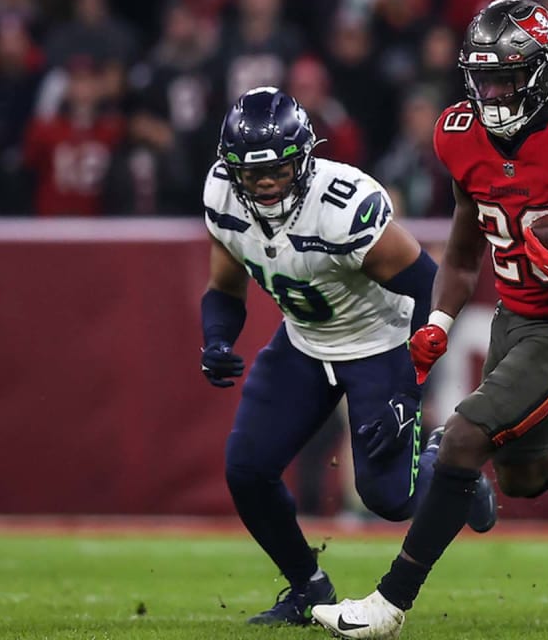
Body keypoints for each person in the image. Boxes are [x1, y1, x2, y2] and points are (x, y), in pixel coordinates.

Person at [311, 0, 548, 639]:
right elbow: (463, 250)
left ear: (541, 72)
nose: (490, 92)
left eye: (505, 77)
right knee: (523, 475)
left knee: (461, 440)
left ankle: (389, 604)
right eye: (481, 77)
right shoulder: (460, 133)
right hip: (514, 318)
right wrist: (438, 321)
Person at [199, 87, 497, 626]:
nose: (265, 183)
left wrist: (408, 391)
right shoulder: (222, 196)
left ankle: (452, 470)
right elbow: (224, 286)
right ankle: (307, 589)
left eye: (279, 169)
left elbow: (433, 290)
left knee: (389, 498)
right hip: (304, 342)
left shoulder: (342, 207)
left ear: (305, 159)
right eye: (252, 173)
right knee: (246, 469)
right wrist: (217, 338)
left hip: (380, 343)